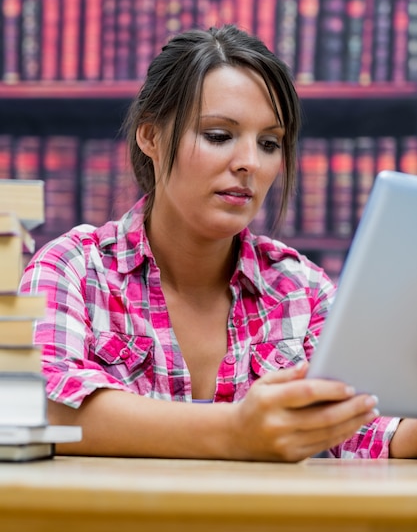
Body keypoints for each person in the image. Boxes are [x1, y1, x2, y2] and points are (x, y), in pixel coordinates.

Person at [20, 24, 417, 461]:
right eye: (218, 136)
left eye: (270, 143)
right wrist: (235, 431)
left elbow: (370, 429)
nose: (249, 163)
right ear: (150, 136)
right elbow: (41, 407)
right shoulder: (72, 269)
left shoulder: (301, 289)